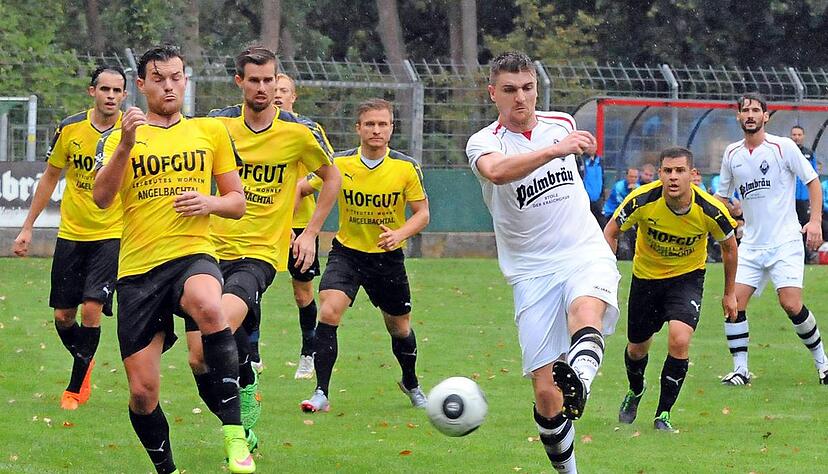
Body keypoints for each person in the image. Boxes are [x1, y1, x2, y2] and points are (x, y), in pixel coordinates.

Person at [93, 45, 254, 474]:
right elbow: (102, 198)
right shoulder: (120, 135)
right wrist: (126, 144)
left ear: (186, 80)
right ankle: (167, 469)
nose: (169, 85)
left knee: (209, 304)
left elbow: (237, 202)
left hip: (192, 253)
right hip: (139, 272)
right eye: (159, 77)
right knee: (143, 393)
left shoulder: (211, 132)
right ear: (141, 85)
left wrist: (209, 202)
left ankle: (235, 435)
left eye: (176, 76)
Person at [466, 51, 620, 473]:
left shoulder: (562, 124)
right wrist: (555, 152)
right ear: (493, 92)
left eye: (528, 88)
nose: (522, 98)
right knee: (546, 395)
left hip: (583, 251)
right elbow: (497, 172)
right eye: (511, 90)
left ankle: (582, 380)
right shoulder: (484, 141)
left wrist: (560, 146)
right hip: (531, 272)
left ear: (537, 86)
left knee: (584, 309)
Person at [185, 47, 340, 451]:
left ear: (278, 82)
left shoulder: (300, 132)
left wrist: (309, 233)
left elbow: (332, 178)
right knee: (198, 357)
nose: (262, 87)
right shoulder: (214, 126)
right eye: (253, 80)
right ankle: (242, 409)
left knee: (218, 321)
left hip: (260, 253)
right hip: (207, 248)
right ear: (239, 82)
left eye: (269, 80)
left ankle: (237, 418)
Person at [296, 98, 430, 413]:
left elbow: (422, 213)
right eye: (369, 124)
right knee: (329, 311)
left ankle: (410, 383)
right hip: (347, 254)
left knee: (399, 328)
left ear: (392, 128)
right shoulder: (339, 163)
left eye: (383, 124)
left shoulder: (405, 166)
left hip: (387, 258)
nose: (376, 130)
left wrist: (399, 234)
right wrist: (292, 227)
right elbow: (300, 188)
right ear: (358, 128)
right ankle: (321, 393)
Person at [12, 65, 127, 410]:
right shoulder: (71, 127)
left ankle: (76, 388)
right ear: (92, 92)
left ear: (124, 95)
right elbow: (50, 176)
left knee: (92, 309)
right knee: (64, 316)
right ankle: (86, 358)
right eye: (104, 89)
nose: (110, 96)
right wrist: (28, 226)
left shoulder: (133, 131)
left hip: (112, 233)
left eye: (117, 91)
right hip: (72, 234)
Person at [604, 147, 738, 432]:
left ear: (693, 175)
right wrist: (605, 279)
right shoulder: (642, 200)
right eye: (667, 171)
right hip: (646, 279)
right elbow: (611, 231)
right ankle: (635, 390)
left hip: (686, 279)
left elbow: (729, 247)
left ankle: (663, 413)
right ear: (660, 174)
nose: (673, 177)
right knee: (637, 348)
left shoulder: (711, 210)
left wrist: (729, 293)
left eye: (679, 171)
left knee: (679, 339)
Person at [716, 93, 827, 386]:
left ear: (766, 116)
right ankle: (740, 370)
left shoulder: (783, 147)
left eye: (756, 110)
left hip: (785, 242)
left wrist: (814, 222)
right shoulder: (731, 154)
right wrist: (731, 208)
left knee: (791, 304)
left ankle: (823, 363)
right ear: (738, 117)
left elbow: (813, 182)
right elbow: (722, 197)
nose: (750, 115)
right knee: (733, 303)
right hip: (751, 245)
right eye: (745, 110)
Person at [273, 72, 333, 380]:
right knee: (249, 288)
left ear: (293, 97)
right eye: (275, 89)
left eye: (285, 91)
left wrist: (304, 185)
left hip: (299, 225)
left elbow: (327, 168)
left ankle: (308, 352)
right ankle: (252, 355)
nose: (279, 95)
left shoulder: (307, 129)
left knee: (302, 292)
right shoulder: (260, 129)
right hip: (266, 224)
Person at [791, 125, 819, 263]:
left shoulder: (809, 154)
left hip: (803, 198)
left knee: (805, 226)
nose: (796, 137)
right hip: (790, 198)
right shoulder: (787, 152)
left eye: (799, 134)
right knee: (791, 227)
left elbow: (814, 176)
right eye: (794, 134)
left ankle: (806, 254)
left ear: (803, 136)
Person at [580, 152, 605, 227]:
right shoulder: (581, 160)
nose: (592, 145)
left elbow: (603, 179)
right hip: (585, 198)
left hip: (598, 200)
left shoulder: (600, 161)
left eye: (594, 143)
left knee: (601, 223)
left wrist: (602, 196)